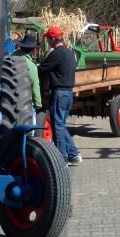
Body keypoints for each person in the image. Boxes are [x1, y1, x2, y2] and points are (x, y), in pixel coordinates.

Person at [38, 25, 81, 165]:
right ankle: (73, 153)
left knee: (57, 125)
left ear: (52, 39)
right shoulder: (70, 53)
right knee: (61, 124)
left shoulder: (56, 54)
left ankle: (62, 158)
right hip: (68, 94)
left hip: (60, 93)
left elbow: (42, 68)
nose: (48, 42)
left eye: (48, 40)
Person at [12, 33, 42, 112]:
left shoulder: (11, 57)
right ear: (33, 49)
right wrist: (38, 103)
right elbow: (35, 85)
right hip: (23, 101)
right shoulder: (30, 65)